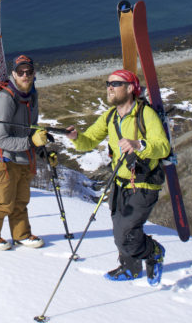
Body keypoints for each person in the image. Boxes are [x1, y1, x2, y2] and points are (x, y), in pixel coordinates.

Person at [66, 69, 170, 284]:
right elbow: (89, 141)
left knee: (126, 233)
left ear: (131, 88)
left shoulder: (145, 114)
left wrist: (138, 144)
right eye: (108, 84)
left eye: (116, 84)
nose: (110, 88)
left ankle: (154, 252)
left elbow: (162, 147)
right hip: (119, 183)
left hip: (143, 183)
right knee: (120, 232)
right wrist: (76, 137)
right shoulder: (111, 116)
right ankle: (130, 267)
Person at [0, 55, 48, 250]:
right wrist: (30, 142)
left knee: (20, 201)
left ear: (34, 74)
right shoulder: (5, 99)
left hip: (24, 158)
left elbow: (31, 126)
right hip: (4, 160)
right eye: (21, 72)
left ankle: (21, 234)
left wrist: (40, 146)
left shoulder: (32, 96)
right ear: (14, 75)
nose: (25, 75)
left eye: (29, 72)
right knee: (3, 201)